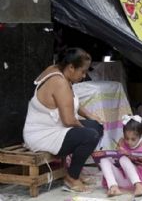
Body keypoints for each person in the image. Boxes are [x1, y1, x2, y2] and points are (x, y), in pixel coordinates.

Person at [23, 47, 104, 192]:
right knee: (90, 135)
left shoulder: (61, 71)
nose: (84, 75)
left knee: (96, 126)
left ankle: (75, 171)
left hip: (56, 127)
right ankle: (72, 178)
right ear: (71, 67)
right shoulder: (59, 82)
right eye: (82, 71)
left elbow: (70, 101)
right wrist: (86, 130)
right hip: (42, 135)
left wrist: (90, 116)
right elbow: (69, 120)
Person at [99, 115, 142, 197]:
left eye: (133, 139)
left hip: (135, 180)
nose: (129, 142)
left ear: (141, 136)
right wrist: (116, 152)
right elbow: (115, 160)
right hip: (121, 179)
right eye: (126, 138)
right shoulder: (121, 142)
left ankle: (138, 186)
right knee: (104, 160)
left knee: (123, 158)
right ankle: (113, 187)